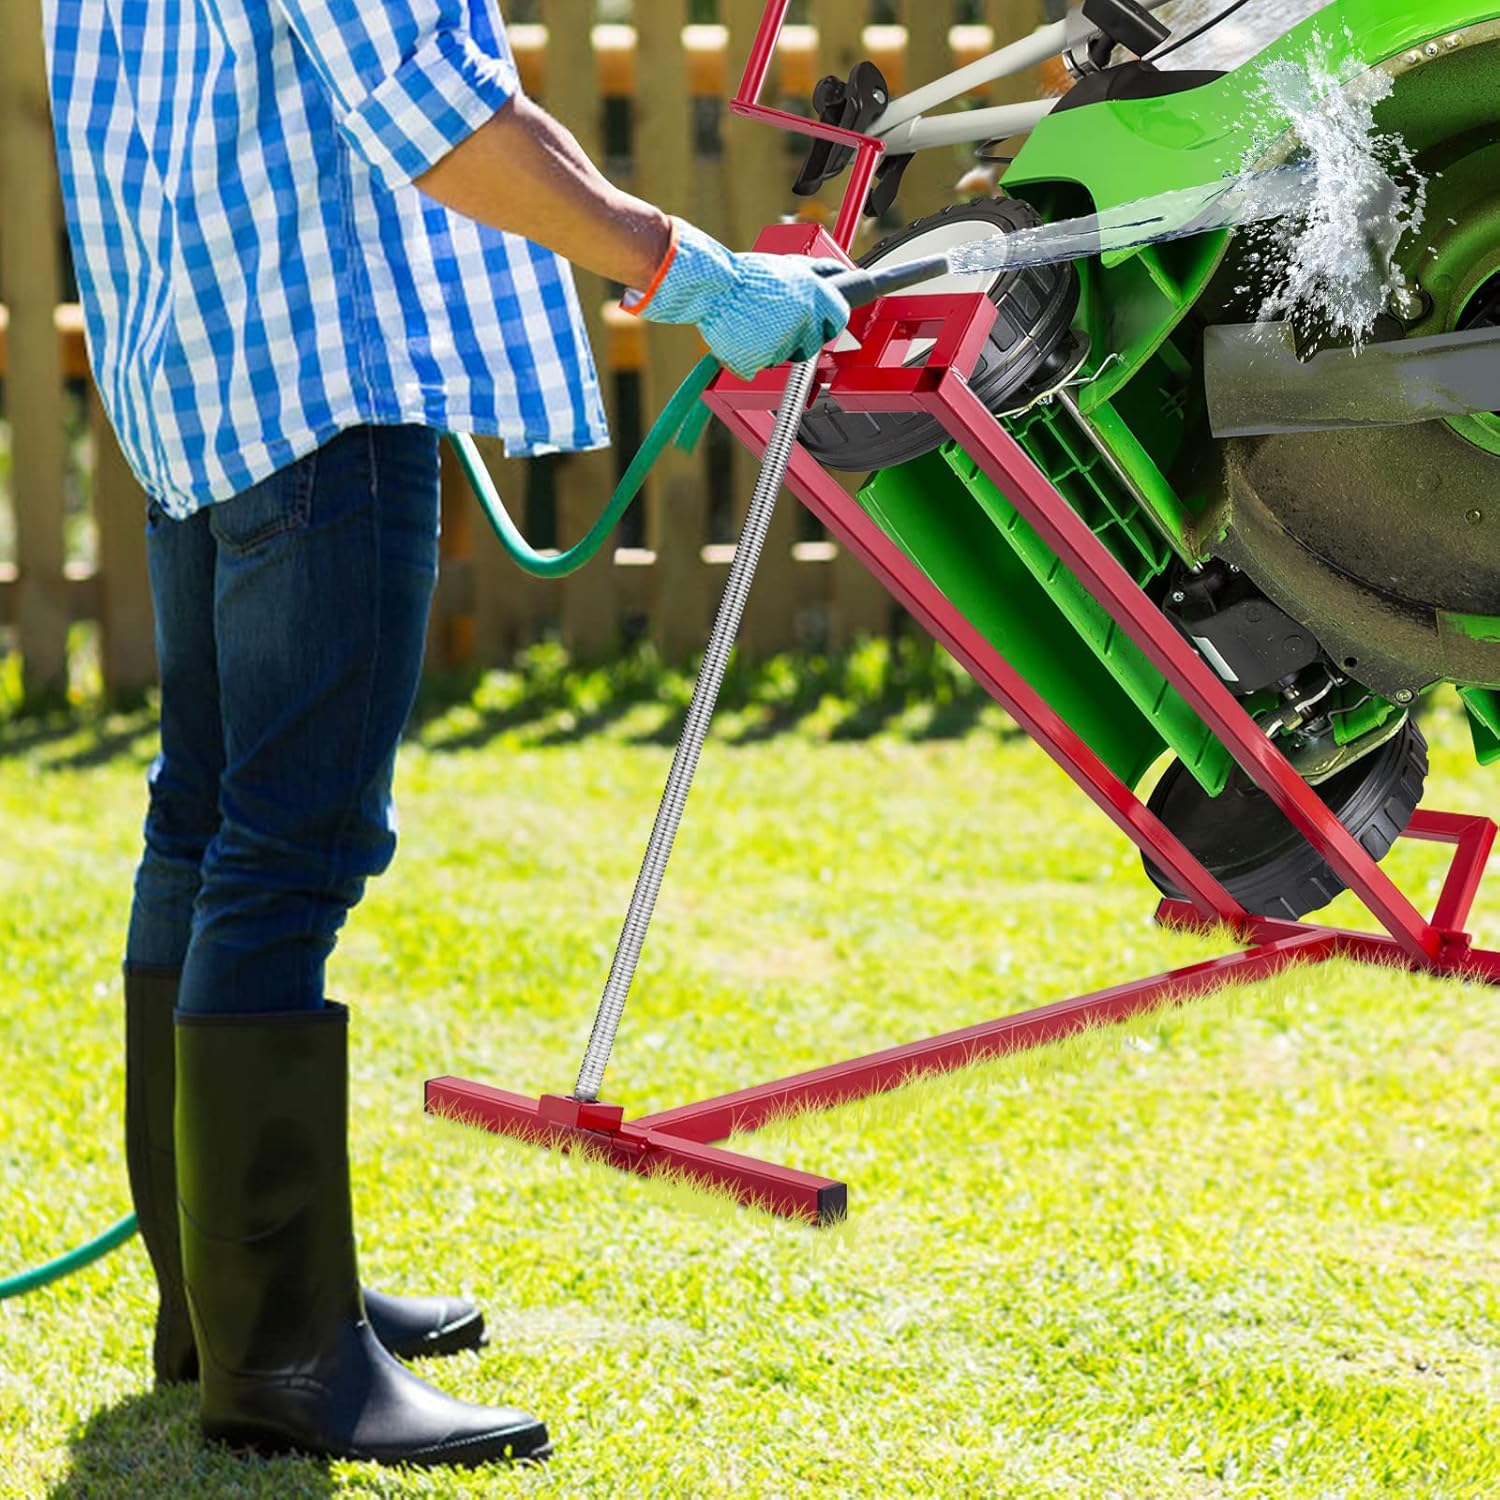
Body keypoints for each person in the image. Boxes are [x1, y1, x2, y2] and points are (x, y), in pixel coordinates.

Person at [40, 0, 850, 1471]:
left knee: (204, 825)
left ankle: (218, 1304)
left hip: (193, 385)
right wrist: (688, 270)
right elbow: (446, 122)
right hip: (317, 399)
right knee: (288, 848)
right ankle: (282, 1357)